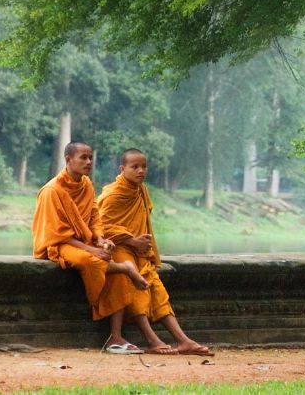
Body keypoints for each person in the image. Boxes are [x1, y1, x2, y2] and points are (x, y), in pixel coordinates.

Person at [32, 141, 150, 354]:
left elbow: (95, 216)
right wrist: (92, 250)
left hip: (83, 242)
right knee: (92, 261)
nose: (88, 162)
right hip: (60, 244)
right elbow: (57, 234)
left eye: (90, 158)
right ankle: (125, 268)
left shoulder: (86, 184)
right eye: (83, 158)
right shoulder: (52, 191)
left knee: (109, 265)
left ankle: (115, 337)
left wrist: (100, 239)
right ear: (68, 159)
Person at [97, 148, 213, 356]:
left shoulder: (141, 190)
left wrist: (139, 244)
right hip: (120, 248)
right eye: (135, 167)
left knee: (158, 290)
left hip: (139, 250)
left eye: (144, 166)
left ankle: (183, 340)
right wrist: (132, 240)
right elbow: (99, 226)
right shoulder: (113, 193)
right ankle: (152, 339)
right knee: (136, 283)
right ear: (122, 169)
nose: (141, 171)